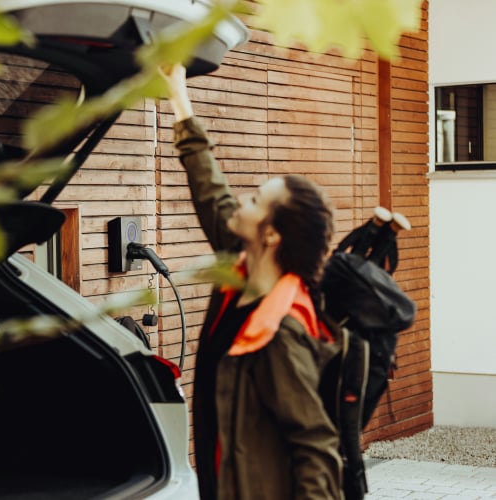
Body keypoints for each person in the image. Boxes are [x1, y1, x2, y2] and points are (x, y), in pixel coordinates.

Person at [161, 64, 343, 499]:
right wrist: (178, 96)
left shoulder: (279, 332)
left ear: (272, 234)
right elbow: (211, 191)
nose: (242, 199)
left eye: (256, 200)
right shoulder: (241, 270)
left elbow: (316, 447)